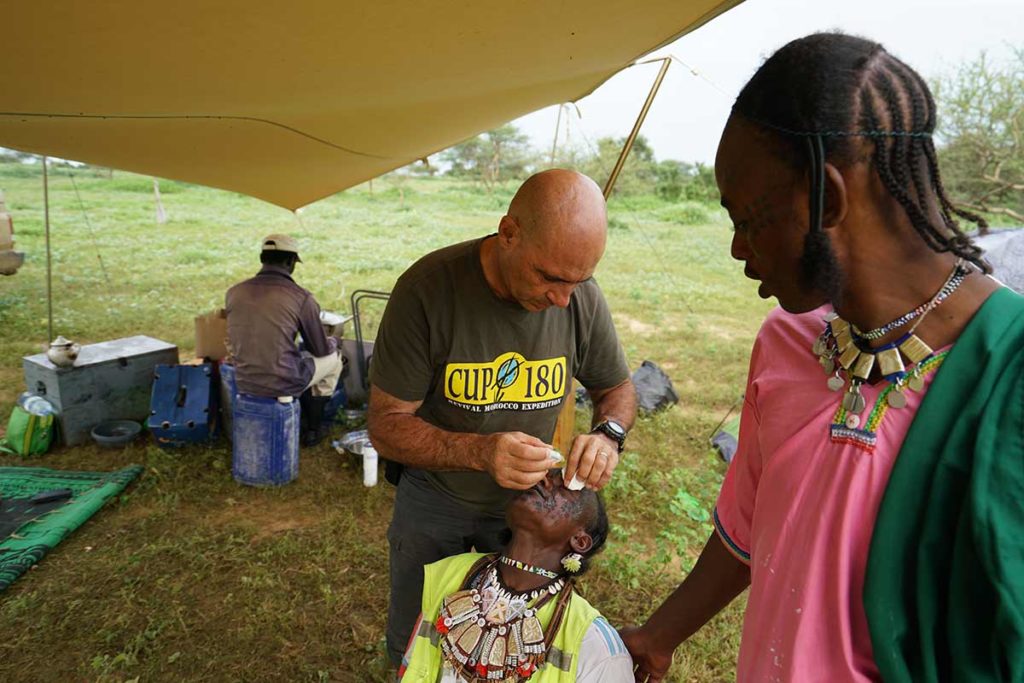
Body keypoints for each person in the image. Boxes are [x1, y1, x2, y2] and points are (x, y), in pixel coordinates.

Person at [621, 33, 1024, 682]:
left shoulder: (1006, 379)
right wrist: (659, 634)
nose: (735, 249)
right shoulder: (785, 340)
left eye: (746, 219)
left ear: (828, 199)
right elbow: (755, 517)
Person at [368, 169, 638, 666]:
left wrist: (608, 434)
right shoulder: (428, 291)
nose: (562, 299)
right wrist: (477, 451)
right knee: (417, 639)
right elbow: (386, 423)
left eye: (577, 281)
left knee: (509, 644)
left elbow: (617, 387)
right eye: (550, 278)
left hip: (524, 512)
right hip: (437, 499)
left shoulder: (578, 295)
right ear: (508, 233)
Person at [399, 470, 633, 682]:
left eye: (564, 487)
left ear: (580, 542)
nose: (541, 478)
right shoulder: (452, 573)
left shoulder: (595, 645)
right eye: (546, 474)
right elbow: (413, 666)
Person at [225, 233, 343, 446]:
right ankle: (314, 429)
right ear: (291, 262)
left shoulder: (234, 292)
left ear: (262, 258)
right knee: (334, 360)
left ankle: (305, 414)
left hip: (243, 380)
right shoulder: (301, 297)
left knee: (297, 354)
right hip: (282, 383)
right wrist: (334, 341)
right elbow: (320, 349)